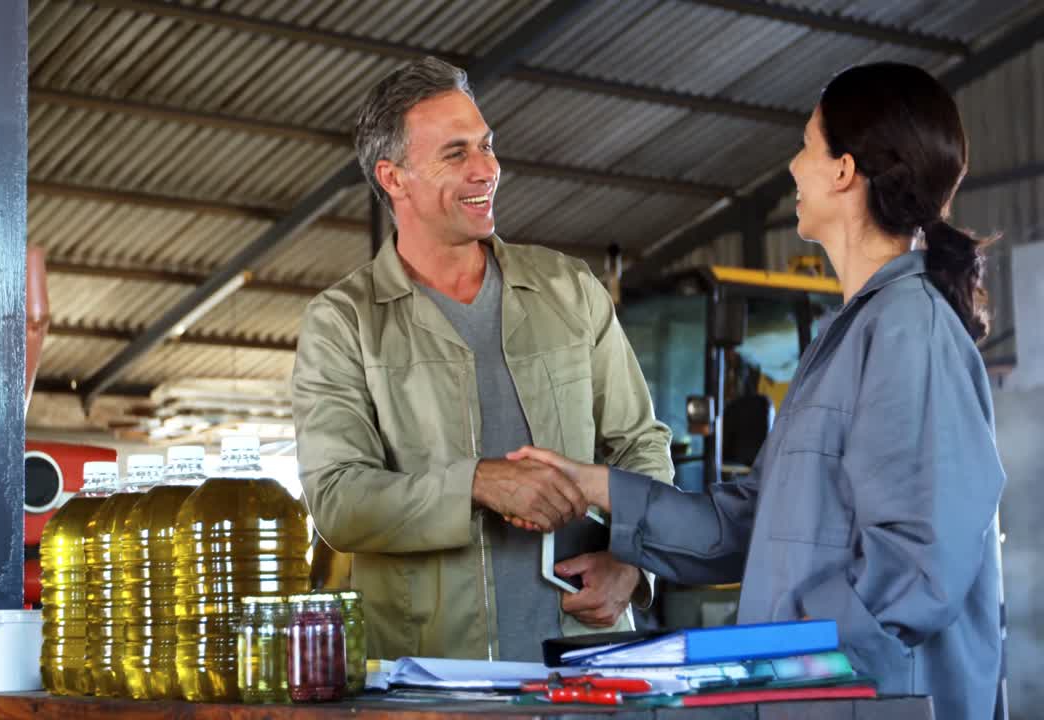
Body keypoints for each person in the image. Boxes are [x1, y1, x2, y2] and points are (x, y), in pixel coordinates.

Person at [511, 62, 1004, 720]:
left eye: (806, 145)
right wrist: (600, 487)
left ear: (843, 171)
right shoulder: (849, 337)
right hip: (813, 693)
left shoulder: (908, 329)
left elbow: (919, 565)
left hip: (868, 702)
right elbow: (745, 522)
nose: (794, 167)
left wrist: (783, 638)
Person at [291, 56, 673, 662]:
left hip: (588, 668)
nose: (486, 169)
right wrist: (475, 482)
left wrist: (633, 563)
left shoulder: (569, 289)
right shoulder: (345, 322)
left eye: (487, 146)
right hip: (432, 677)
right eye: (456, 154)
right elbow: (337, 500)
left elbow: (641, 447)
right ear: (394, 178)